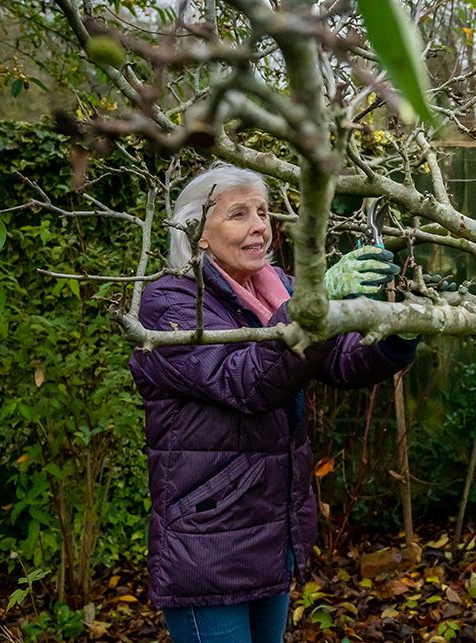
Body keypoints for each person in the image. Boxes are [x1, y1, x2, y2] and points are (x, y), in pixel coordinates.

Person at [129, 164, 419, 643]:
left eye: (262, 212)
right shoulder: (171, 303)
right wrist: (315, 296)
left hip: (270, 530)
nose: (260, 225)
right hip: (207, 539)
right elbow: (246, 381)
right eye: (238, 214)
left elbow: (341, 362)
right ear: (197, 232)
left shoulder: (275, 288)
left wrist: (400, 332)